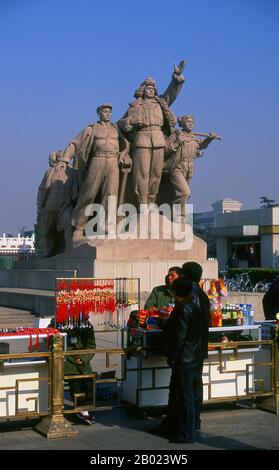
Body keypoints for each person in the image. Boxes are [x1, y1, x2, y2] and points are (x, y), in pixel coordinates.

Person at [117, 61, 186, 210]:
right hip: (141, 140)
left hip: (158, 140)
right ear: (143, 89)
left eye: (153, 88)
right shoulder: (135, 106)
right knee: (141, 173)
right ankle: (141, 204)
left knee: (156, 174)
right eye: (148, 88)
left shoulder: (161, 103)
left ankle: (151, 202)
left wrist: (176, 77)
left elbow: (172, 93)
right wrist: (130, 121)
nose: (150, 90)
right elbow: (120, 123)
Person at [62, 104, 129, 240]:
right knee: (88, 193)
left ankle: (107, 227)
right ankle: (79, 227)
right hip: (97, 160)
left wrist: (123, 154)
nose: (107, 114)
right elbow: (75, 143)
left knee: (110, 196)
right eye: (104, 111)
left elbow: (126, 144)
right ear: (99, 114)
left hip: (112, 162)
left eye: (109, 111)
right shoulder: (91, 129)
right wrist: (65, 159)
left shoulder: (116, 129)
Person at [150, 277, 203, 443]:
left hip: (184, 358)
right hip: (192, 356)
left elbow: (180, 337)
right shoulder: (193, 306)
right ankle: (176, 427)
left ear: (176, 292)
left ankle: (185, 433)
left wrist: (173, 357)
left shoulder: (183, 309)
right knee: (181, 394)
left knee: (184, 396)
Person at [163, 115, 220, 218]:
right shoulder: (176, 135)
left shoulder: (193, 137)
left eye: (192, 122)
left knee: (184, 195)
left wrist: (209, 139)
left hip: (189, 167)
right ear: (182, 124)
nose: (190, 124)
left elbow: (201, 146)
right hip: (177, 166)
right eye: (188, 121)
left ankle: (172, 215)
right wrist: (177, 142)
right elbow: (165, 149)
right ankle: (179, 216)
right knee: (184, 192)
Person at [182, 261, 210, 430]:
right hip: (199, 347)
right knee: (196, 383)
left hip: (190, 349)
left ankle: (191, 421)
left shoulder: (191, 294)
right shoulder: (201, 294)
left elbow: (188, 323)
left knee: (189, 387)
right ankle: (195, 419)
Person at [36, 151, 79, 256]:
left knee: (69, 227)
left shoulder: (73, 173)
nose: (60, 160)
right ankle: (48, 252)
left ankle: (69, 251)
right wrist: (40, 205)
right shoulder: (49, 172)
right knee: (47, 232)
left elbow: (75, 191)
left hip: (65, 207)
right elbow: (42, 189)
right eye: (58, 157)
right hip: (50, 207)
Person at [64, 323, 96, 425]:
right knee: (76, 386)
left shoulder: (87, 326)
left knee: (88, 384)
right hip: (68, 362)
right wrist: (73, 358)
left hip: (83, 363)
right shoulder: (59, 323)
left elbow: (91, 346)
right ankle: (81, 410)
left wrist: (82, 358)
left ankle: (84, 409)